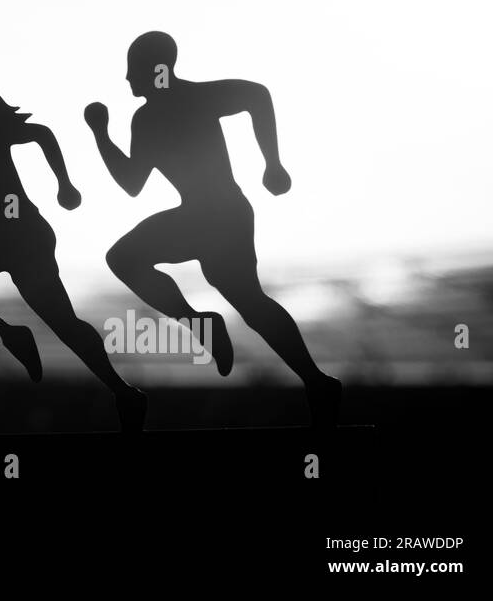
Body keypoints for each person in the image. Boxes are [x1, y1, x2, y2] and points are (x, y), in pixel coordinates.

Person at [84, 32, 341, 427]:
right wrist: (101, 135)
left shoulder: (194, 98)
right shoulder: (148, 118)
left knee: (242, 299)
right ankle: (314, 380)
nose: (126, 78)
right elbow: (133, 182)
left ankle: (308, 377)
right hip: (207, 215)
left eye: (132, 69)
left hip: (217, 215)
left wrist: (272, 162)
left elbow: (256, 95)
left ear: (157, 68)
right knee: (245, 300)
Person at [0, 76, 147, 431]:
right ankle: (11, 333)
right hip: (5, 236)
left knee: (64, 322)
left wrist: (64, 183)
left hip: (24, 236)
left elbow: (42, 134)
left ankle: (122, 392)